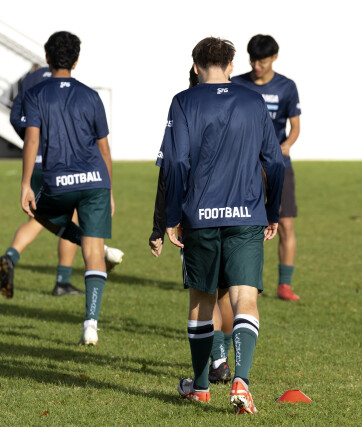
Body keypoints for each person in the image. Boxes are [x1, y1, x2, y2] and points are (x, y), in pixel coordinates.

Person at [160, 37, 284, 414]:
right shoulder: (253, 100)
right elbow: (274, 162)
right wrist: (272, 210)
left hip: (200, 216)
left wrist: (169, 217)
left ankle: (200, 387)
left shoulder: (183, 101)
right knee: (245, 297)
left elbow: (176, 163)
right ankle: (241, 381)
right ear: (231, 66)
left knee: (202, 300)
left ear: (196, 67)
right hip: (247, 215)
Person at [11, 30, 114, 346]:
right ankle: (91, 323)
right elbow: (104, 148)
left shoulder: (36, 93)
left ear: (47, 58)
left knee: (39, 215)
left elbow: (31, 139)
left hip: (59, 181)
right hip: (95, 180)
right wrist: (109, 190)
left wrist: (26, 183)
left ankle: (86, 242)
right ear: (77, 60)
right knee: (94, 251)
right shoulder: (91, 95)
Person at [0, 62, 123, 299]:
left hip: (34, 162)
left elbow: (16, 117)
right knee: (70, 216)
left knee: (38, 218)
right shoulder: (72, 88)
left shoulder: (32, 79)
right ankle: (62, 281)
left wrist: (31, 137)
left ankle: (11, 256)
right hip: (59, 162)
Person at [149, 66, 233, 385]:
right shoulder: (236, 114)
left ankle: (217, 363)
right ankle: (223, 360)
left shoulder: (183, 112)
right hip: (237, 216)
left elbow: (168, 172)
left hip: (197, 219)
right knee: (225, 292)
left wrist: (160, 225)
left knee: (204, 293)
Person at [231, 34, 302, 301]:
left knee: (285, 225)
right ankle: (248, 283)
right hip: (244, 168)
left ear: (274, 57)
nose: (256, 65)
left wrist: (286, 146)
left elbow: (295, 127)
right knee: (245, 226)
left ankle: (284, 285)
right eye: (253, 60)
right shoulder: (237, 85)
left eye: (262, 60)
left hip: (278, 166)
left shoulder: (287, 87)